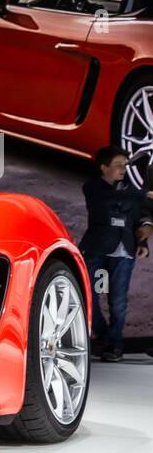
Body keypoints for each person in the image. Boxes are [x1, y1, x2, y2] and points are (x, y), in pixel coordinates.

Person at [79, 146, 151, 362]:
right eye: (119, 165)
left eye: (125, 165)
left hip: (124, 252)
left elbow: (138, 216)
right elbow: (107, 202)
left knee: (118, 301)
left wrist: (143, 241)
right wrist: (144, 194)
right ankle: (102, 335)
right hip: (97, 250)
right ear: (104, 167)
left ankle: (115, 345)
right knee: (89, 295)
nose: (123, 169)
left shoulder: (129, 190)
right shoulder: (92, 187)